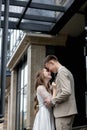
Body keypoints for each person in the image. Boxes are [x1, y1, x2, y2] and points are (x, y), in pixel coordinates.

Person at [44, 55, 78, 130]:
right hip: (65, 112)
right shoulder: (64, 71)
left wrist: (52, 101)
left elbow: (66, 92)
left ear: (52, 62)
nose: (49, 70)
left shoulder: (62, 72)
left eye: (48, 67)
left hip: (63, 113)